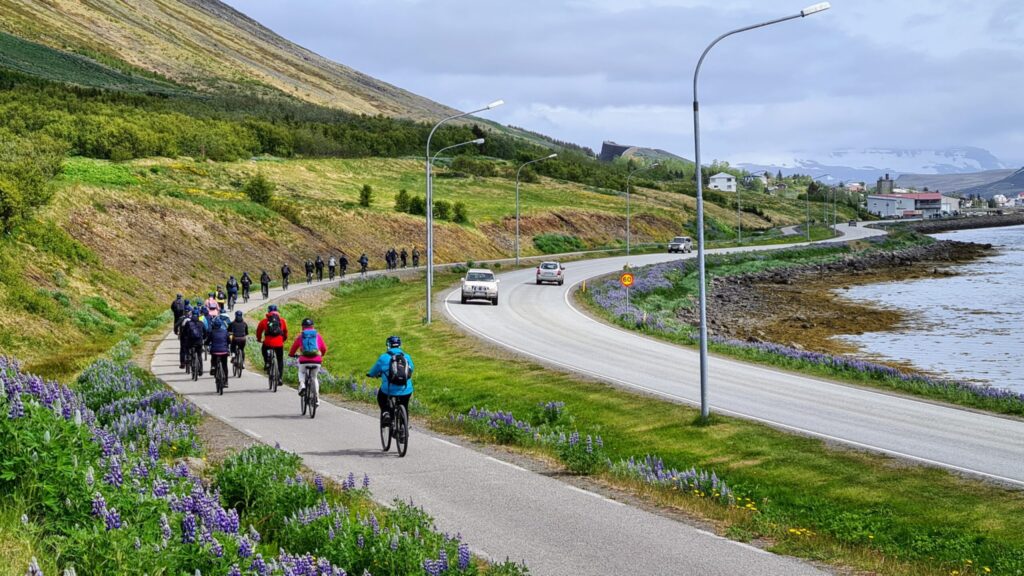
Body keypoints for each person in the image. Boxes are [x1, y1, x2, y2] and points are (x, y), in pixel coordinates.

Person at [368, 335, 414, 427]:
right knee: (404, 405)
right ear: (400, 345)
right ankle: (403, 430)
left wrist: (371, 374)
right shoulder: (407, 357)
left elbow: (374, 371)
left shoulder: (383, 358)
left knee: (381, 397)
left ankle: (386, 413)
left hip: (389, 390)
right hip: (406, 389)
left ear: (388, 345)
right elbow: (411, 369)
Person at [288, 318, 327, 406]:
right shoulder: (317, 335)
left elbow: (294, 348)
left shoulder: (301, 336)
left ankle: (302, 385)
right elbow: (324, 348)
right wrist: (321, 355)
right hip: (316, 360)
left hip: (304, 360)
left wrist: (291, 354)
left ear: (302, 327)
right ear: (313, 326)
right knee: (314, 377)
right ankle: (316, 399)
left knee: (301, 372)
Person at [256, 304, 288, 379]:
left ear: (268, 311)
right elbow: (285, 332)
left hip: (268, 343)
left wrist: (259, 339)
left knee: (264, 349)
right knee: (280, 360)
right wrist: (283, 339)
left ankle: (267, 362)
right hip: (279, 343)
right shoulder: (282, 321)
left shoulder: (264, 321)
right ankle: (280, 378)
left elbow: (259, 331)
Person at [207, 316, 231, 387]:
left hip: (214, 351)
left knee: (213, 358)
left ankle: (213, 367)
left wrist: (205, 344)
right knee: (225, 366)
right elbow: (229, 341)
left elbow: (207, 341)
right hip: (224, 351)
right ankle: (226, 381)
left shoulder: (212, 332)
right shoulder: (225, 331)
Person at [184, 308, 207, 375]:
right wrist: (204, 338)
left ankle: (189, 359)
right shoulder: (201, 323)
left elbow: (185, 332)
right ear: (198, 315)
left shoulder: (188, 323)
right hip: (199, 342)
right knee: (199, 355)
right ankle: (201, 370)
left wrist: (185, 337)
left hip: (190, 342)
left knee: (188, 349)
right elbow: (205, 332)